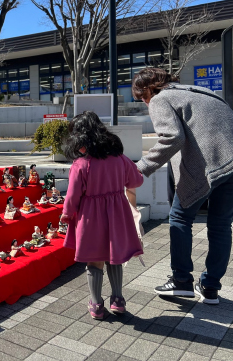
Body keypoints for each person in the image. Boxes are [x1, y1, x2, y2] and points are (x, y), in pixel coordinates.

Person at [133, 68, 233, 304]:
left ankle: (181, 281)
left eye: (142, 98)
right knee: (220, 224)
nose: (145, 104)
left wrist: (139, 168)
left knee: (179, 217)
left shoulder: (160, 98)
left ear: (148, 90)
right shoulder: (202, 90)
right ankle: (210, 287)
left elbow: (172, 137)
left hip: (208, 163)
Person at [61, 111, 144, 319]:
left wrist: (66, 214)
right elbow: (136, 181)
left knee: (94, 260)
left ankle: (96, 304)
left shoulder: (81, 164)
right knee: (114, 258)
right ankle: (118, 300)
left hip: (91, 217)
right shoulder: (120, 159)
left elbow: (72, 196)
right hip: (118, 213)